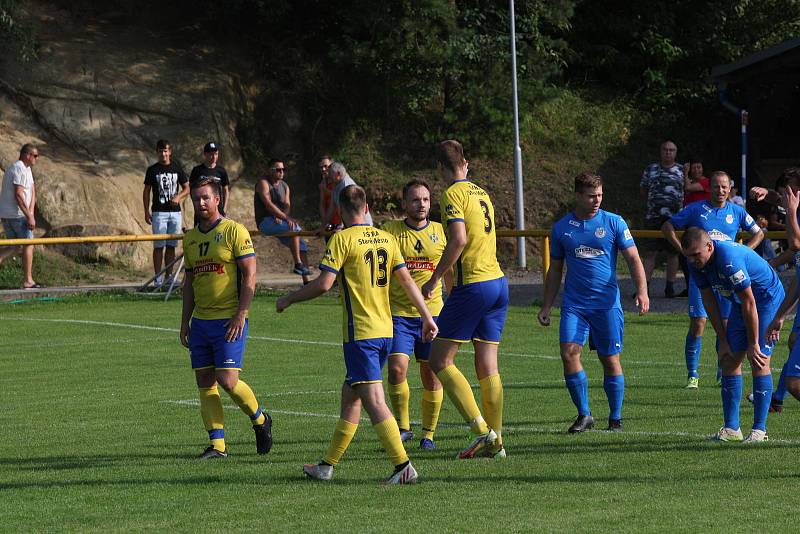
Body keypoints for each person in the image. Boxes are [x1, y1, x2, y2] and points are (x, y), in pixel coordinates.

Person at [276, 184, 436, 484]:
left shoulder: (342, 239)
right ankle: (327, 465)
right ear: (365, 208)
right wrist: (427, 317)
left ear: (340, 210)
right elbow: (407, 281)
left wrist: (289, 298)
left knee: (374, 400)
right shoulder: (387, 239)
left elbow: (324, 284)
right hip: (387, 331)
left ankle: (403, 465)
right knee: (351, 395)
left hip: (360, 334)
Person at [538, 172, 649, 433]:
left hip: (607, 305)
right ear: (577, 196)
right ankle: (584, 414)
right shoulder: (562, 228)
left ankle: (616, 418)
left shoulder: (614, 222)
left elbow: (633, 258)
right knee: (568, 354)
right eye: (591, 195)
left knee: (609, 359)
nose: (596, 200)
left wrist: (641, 291)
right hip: (575, 305)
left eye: (599, 194)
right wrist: (546, 305)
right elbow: (555, 270)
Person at [420, 139, 508, 459]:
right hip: (498, 283)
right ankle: (496, 443)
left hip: (475, 285)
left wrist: (435, 279)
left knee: (439, 359)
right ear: (466, 163)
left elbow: (458, 239)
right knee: (487, 365)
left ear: (440, 168)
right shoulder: (481, 193)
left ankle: (482, 431)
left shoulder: (452, 194)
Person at [180, 177, 272, 459]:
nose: (201, 203)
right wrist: (185, 322)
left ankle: (260, 420)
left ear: (218, 199)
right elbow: (189, 285)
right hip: (201, 323)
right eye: (196, 199)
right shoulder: (191, 238)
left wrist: (241, 314)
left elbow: (250, 275)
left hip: (229, 320)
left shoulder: (234, 231)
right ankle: (217, 445)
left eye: (206, 197)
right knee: (205, 382)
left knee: (228, 380)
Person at [681, 227, 784, 442]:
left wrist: (754, 343)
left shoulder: (728, 258)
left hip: (765, 298)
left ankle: (759, 430)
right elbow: (709, 301)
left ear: (709, 246)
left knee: (758, 359)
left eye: (696, 255)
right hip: (741, 302)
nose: (692, 260)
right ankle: (731, 429)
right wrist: (724, 339)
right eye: (688, 256)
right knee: (728, 359)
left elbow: (750, 301)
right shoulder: (696, 264)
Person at [662, 171, 763, 389]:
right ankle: (693, 375)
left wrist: (743, 251)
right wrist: (682, 249)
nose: (721, 190)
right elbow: (667, 226)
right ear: (710, 188)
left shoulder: (737, 211)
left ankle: (723, 369)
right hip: (702, 275)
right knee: (698, 322)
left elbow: (759, 233)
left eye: (725, 187)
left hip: (727, 277)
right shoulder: (696, 209)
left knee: (725, 325)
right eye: (716, 186)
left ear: (730, 188)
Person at [381, 179, 450, 450]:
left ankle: (429, 434)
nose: (421, 204)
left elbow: (450, 272)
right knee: (397, 369)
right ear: (404, 204)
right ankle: (403, 427)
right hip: (399, 314)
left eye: (425, 199)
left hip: (432, 315)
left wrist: (454, 301)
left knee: (431, 374)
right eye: (415, 200)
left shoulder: (441, 232)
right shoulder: (390, 232)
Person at [254, 158, 311, 282]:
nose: (281, 172)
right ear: (270, 170)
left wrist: (282, 216)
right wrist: (284, 217)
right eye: (278, 169)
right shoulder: (263, 183)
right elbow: (268, 204)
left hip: (279, 221)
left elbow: (287, 206)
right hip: (265, 221)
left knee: (301, 243)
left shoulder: (285, 186)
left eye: (283, 169)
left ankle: (306, 281)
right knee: (295, 228)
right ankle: (297, 265)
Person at [640, 140, 684, 298]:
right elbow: (643, 190)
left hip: (674, 218)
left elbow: (688, 189)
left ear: (675, 153)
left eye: (671, 150)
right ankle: (644, 288)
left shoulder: (681, 170)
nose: (668, 152)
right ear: (660, 151)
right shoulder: (650, 169)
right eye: (665, 149)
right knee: (650, 253)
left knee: (673, 253)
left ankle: (670, 287)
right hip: (653, 216)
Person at [143, 139, 189, 287]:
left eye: (166, 151)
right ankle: (157, 278)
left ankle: (169, 277)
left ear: (170, 152)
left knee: (171, 246)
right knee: (158, 246)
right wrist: (146, 211)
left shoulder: (176, 167)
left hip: (175, 212)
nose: (163, 153)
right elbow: (146, 191)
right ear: (157, 152)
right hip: (159, 212)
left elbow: (187, 188)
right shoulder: (152, 170)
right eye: (161, 151)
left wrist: (178, 197)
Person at [0, 143, 39, 289]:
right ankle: (28, 280)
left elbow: (32, 190)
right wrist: (29, 216)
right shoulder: (19, 168)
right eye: (35, 155)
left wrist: (31, 212)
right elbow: (18, 194)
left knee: (15, 246)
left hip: (11, 214)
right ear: (27, 155)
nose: (36, 158)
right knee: (29, 244)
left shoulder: (27, 170)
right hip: (16, 215)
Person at [324, 161, 372, 227]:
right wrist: (323, 227)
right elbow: (331, 209)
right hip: (349, 226)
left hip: (361, 226)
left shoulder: (348, 186)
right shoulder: (335, 186)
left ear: (338, 174)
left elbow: (349, 210)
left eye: (330, 173)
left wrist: (341, 227)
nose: (328, 175)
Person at [189, 142, 230, 218]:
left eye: (216, 154)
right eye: (211, 154)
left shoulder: (221, 171)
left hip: (218, 210)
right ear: (205, 154)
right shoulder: (197, 170)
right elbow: (191, 189)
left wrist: (224, 209)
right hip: (202, 210)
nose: (214, 157)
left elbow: (226, 190)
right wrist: (197, 204)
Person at [317, 155, 340, 236]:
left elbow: (338, 196)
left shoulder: (339, 180)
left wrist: (324, 189)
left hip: (341, 222)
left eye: (326, 166)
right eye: (321, 167)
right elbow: (322, 203)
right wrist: (324, 221)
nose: (323, 169)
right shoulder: (323, 183)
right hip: (330, 222)